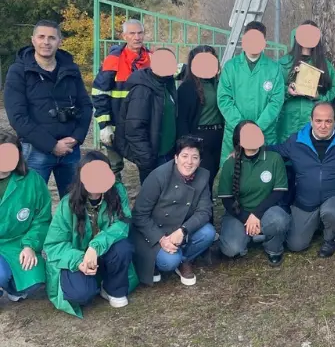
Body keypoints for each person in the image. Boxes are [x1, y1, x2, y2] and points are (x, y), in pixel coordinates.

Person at [3, 20, 92, 196]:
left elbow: (86, 105)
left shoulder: (70, 69)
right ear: (33, 40)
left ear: (60, 41)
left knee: (74, 203)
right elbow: (17, 117)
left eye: (52, 37)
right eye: (41, 37)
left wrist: (77, 137)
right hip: (35, 150)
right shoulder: (18, 71)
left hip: (70, 149)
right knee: (30, 203)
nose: (46, 42)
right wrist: (51, 145)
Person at [43, 151, 137, 315]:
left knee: (123, 247)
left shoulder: (117, 191)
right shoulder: (68, 203)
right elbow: (53, 245)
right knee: (81, 295)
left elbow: (123, 223)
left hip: (105, 251)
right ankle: (93, 281)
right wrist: (80, 260)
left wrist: (95, 247)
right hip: (79, 257)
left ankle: (112, 288)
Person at [274, 102, 335, 258]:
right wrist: (245, 151)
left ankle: (330, 238)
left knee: (331, 212)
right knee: (295, 245)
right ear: (311, 121)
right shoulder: (296, 141)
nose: (323, 125)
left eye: (328, 121)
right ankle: (317, 225)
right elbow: (274, 152)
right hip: (305, 200)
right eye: (318, 121)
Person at [130, 135, 216, 287]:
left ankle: (184, 260)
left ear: (200, 161)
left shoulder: (203, 176)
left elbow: (204, 211)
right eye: (184, 156)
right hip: (154, 232)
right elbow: (139, 215)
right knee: (169, 261)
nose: (189, 162)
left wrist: (183, 230)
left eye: (194, 157)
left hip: (180, 230)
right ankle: (163, 260)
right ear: (176, 158)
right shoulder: (158, 176)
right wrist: (161, 239)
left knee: (208, 232)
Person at [216, 121, 291, 268]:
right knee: (231, 249)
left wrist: (256, 215)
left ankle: (273, 248)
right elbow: (227, 200)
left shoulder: (274, 159)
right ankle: (251, 235)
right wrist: (247, 218)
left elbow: (279, 192)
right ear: (239, 140)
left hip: (267, 210)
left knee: (279, 220)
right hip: (238, 213)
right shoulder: (230, 163)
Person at [217, 21, 286, 163]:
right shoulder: (231, 67)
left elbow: (276, 101)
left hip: (264, 133)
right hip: (236, 133)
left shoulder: (274, 68)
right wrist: (242, 128)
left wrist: (257, 128)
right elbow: (224, 99)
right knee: (233, 178)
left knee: (264, 176)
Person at [90, 19, 149, 179]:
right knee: (113, 168)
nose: (137, 37)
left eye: (140, 33)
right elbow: (99, 93)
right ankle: (111, 202)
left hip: (142, 126)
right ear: (124, 36)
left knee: (147, 164)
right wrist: (104, 126)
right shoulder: (114, 59)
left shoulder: (151, 58)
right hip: (116, 126)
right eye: (132, 33)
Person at [0, 130, 51, 302]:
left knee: (35, 280)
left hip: (19, 243)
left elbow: (42, 218)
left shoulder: (33, 180)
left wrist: (29, 245)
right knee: (1, 274)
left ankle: (13, 288)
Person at [116, 47, 179, 185]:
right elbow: (134, 129)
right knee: (154, 199)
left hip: (168, 152)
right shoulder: (142, 90)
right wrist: (147, 159)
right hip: (153, 157)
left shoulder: (167, 84)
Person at [278, 21, 335, 140]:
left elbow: (334, 88)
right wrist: (288, 91)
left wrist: (319, 97)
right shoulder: (284, 63)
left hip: (312, 120)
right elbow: (275, 89)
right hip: (288, 121)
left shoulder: (324, 65)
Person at [175, 46, 225, 182]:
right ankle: (202, 202)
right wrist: (187, 143)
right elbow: (182, 119)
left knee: (214, 171)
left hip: (219, 134)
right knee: (203, 174)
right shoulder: (187, 87)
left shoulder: (219, 83)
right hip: (200, 135)